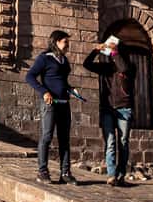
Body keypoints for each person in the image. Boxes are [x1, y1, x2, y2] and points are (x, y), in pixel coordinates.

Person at [26, 30, 78, 185]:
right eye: (65, 42)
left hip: (64, 103)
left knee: (64, 139)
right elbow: (30, 76)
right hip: (50, 103)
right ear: (56, 42)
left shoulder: (64, 60)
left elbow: (62, 81)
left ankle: (65, 173)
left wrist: (71, 89)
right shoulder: (45, 58)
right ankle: (42, 172)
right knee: (47, 136)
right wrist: (44, 92)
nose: (68, 45)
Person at [83, 36, 135, 187]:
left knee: (123, 142)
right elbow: (87, 64)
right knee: (110, 141)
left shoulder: (130, 66)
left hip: (124, 108)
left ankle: (121, 174)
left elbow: (123, 68)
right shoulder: (106, 68)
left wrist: (115, 52)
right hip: (108, 108)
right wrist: (95, 51)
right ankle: (112, 175)